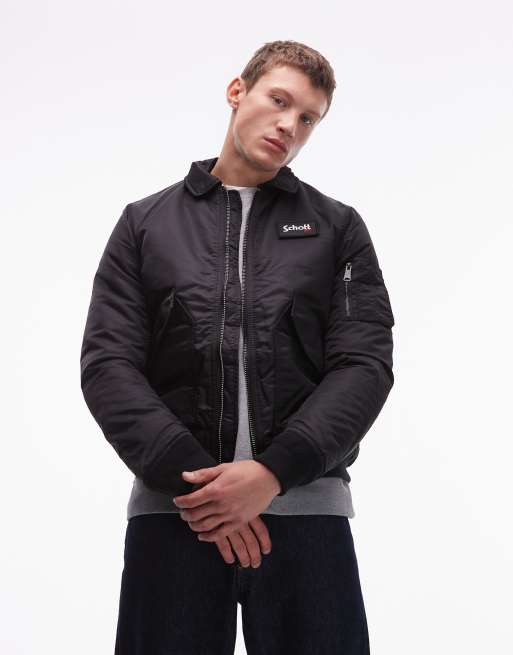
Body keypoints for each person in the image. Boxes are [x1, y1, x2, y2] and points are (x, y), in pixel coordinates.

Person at [80, 39, 395, 655]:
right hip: (176, 516)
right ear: (236, 91)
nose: (290, 125)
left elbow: (363, 365)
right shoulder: (144, 224)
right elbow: (107, 366)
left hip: (307, 517)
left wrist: (272, 474)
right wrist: (201, 488)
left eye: (308, 118)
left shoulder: (338, 228)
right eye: (279, 101)